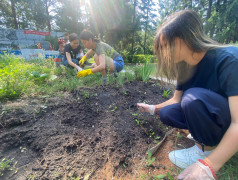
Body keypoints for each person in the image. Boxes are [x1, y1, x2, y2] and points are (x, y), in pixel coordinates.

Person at [137, 10, 238, 180]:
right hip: (215, 119)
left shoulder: (228, 60)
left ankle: (207, 152)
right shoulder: (184, 68)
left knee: (192, 98)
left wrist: (209, 166)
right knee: (168, 112)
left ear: (181, 39)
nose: (163, 53)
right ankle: (205, 143)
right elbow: (176, 100)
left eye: (164, 46)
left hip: (230, 123)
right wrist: (153, 108)